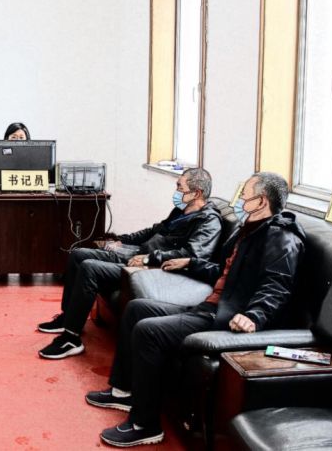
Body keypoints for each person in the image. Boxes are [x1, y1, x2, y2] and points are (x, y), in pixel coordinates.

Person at [87, 172, 305, 448]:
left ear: (261, 201)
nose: (239, 201)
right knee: (136, 309)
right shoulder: (249, 229)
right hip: (211, 305)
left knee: (148, 331)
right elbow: (224, 271)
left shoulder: (281, 238)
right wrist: (190, 263)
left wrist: (253, 315)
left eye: (244, 195)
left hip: (226, 317)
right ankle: (123, 391)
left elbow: (277, 286)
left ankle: (145, 425)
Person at [37, 168, 222, 359]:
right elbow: (152, 231)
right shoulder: (180, 211)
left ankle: (71, 338)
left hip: (155, 270)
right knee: (78, 254)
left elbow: (191, 255)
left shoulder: (209, 221)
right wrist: (121, 240)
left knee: (89, 268)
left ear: (196, 193)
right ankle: (67, 318)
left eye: (179, 187)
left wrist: (150, 258)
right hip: (138, 255)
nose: (176, 191)